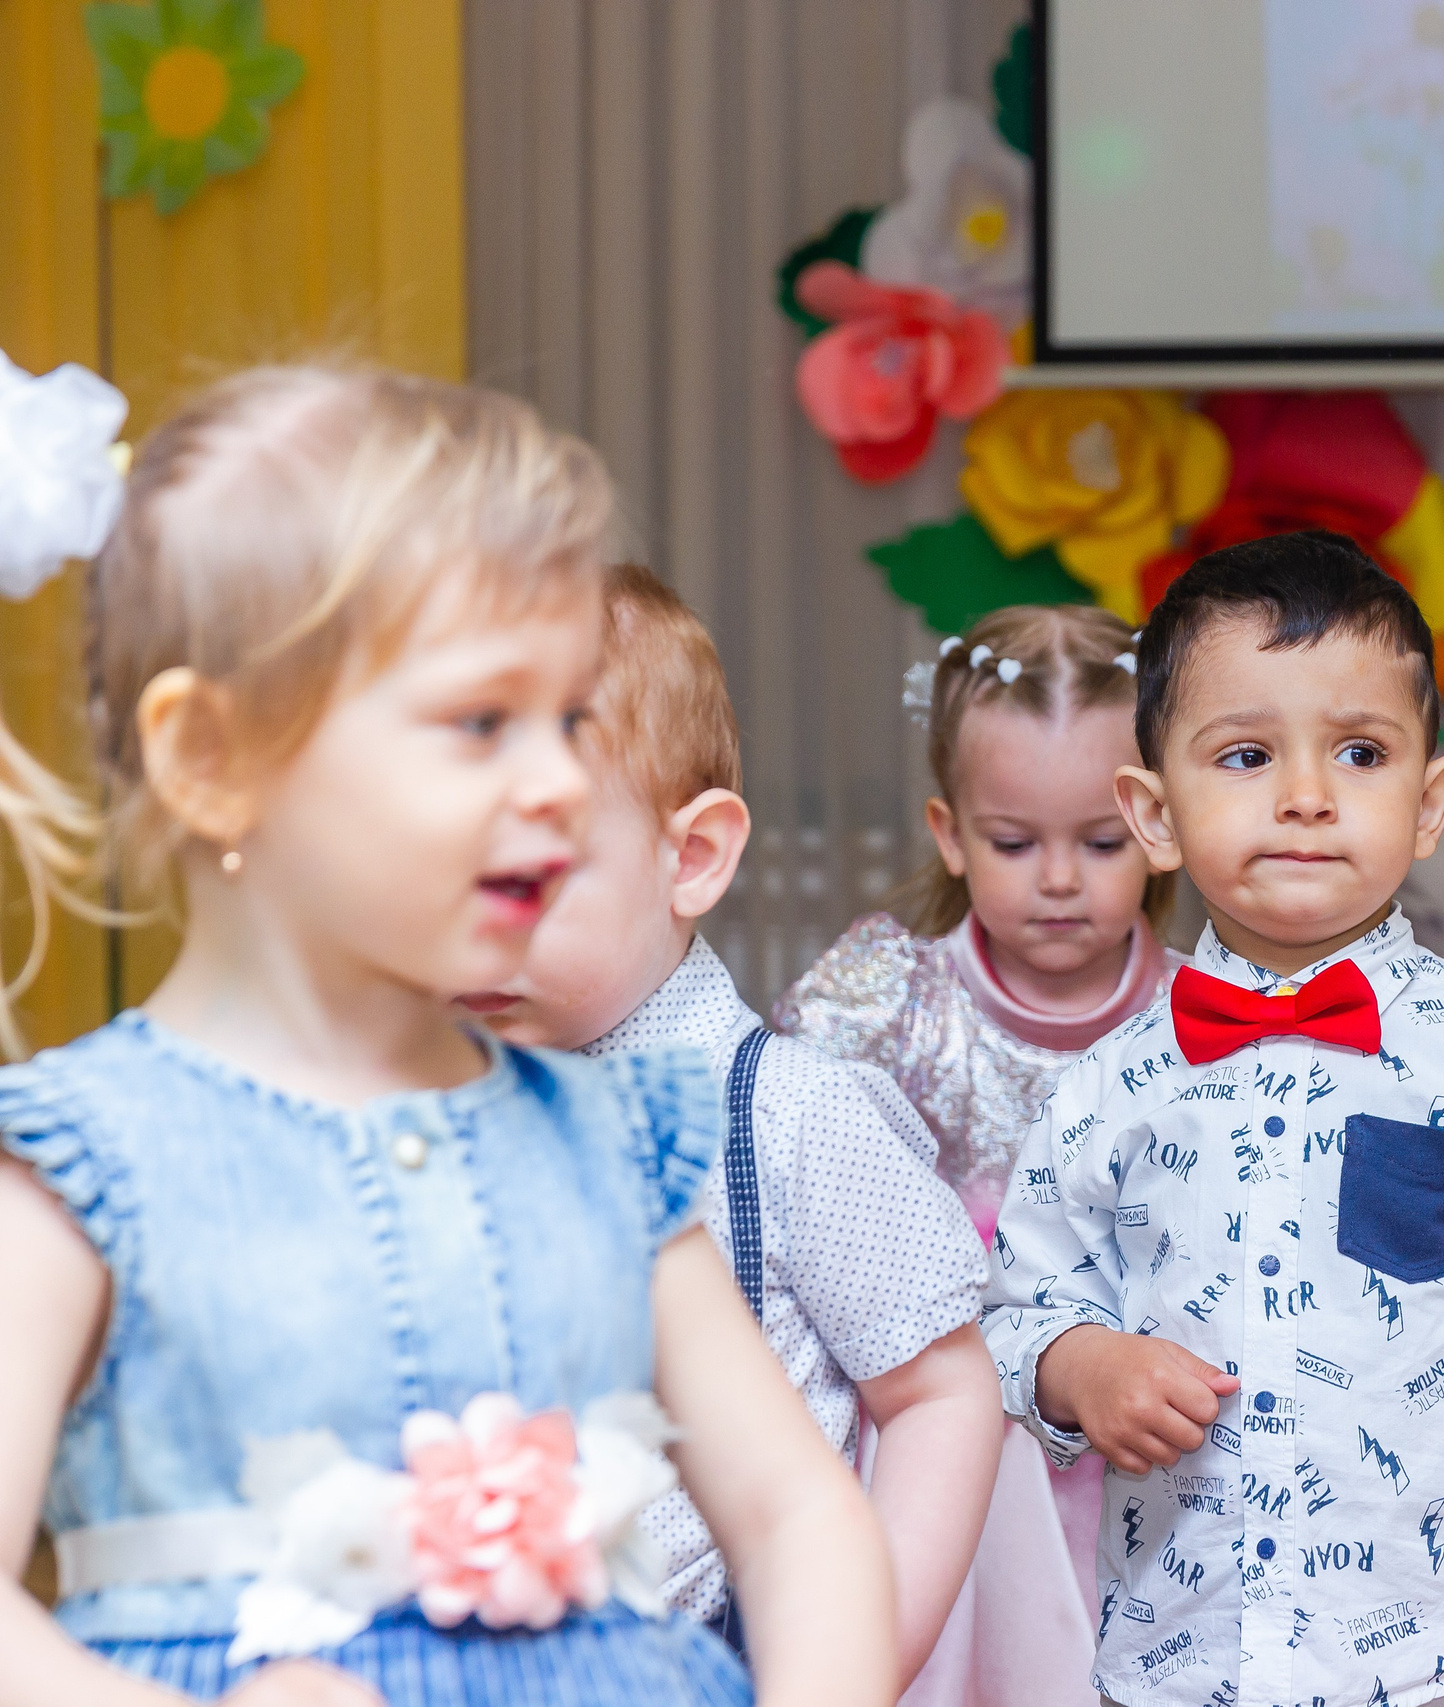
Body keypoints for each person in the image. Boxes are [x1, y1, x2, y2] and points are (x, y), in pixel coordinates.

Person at [0, 366, 893, 1706]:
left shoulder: (614, 1143)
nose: (553, 781)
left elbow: (796, 1516)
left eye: (571, 717)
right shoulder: (75, 1164)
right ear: (214, 756)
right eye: (482, 721)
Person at [979, 531, 1444, 1707]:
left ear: (1430, 803)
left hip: (1439, 1659)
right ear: (1154, 814)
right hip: (1177, 1660)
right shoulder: (1106, 1088)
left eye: (1361, 752)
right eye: (1243, 754)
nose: (1307, 796)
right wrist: (1081, 1363)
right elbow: (1019, 1310)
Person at [456, 563, 1002, 1687]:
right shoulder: (409, 1107)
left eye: (522, 879)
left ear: (690, 856)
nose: (469, 926)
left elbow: (939, 1394)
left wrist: (847, 1663)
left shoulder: (788, 1114)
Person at [775, 603, 1179, 1707]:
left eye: (1100, 843)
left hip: (1146, 1450)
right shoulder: (885, 1002)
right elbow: (785, 1190)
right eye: (1013, 843)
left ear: (1158, 823)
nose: (1058, 880)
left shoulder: (1205, 1018)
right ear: (949, 834)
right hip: (945, 1447)